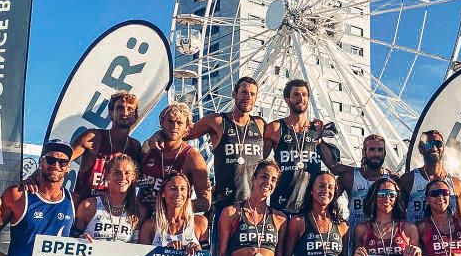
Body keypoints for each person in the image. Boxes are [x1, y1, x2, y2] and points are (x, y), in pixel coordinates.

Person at [180, 77, 265, 243]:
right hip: (224, 203)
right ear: (234, 94)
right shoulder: (217, 121)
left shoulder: (260, 125)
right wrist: (158, 135)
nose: (247, 97)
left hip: (253, 205)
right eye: (243, 92)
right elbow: (180, 134)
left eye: (252, 94)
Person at [70, 91, 143, 206]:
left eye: (130, 109)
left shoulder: (135, 146)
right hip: (85, 209)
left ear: (135, 117)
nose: (125, 112)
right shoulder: (93, 137)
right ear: (110, 113)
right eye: (120, 108)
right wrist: (36, 177)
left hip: (115, 213)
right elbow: (61, 160)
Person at [138, 102, 210, 216]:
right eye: (170, 121)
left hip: (171, 221)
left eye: (179, 123)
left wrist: (169, 204)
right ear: (162, 122)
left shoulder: (193, 158)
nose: (174, 126)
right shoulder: (149, 146)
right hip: (140, 217)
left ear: (187, 127)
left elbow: (205, 203)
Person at [265, 79, 324, 216]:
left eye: (304, 95)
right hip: (280, 207)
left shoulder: (317, 129)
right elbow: (256, 161)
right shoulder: (275, 128)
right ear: (287, 99)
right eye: (296, 95)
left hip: (309, 209)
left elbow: (333, 165)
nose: (301, 98)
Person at [399, 130, 461, 223]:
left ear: (443, 148)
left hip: (446, 236)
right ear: (421, 149)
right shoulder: (409, 180)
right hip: (417, 235)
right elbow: (398, 217)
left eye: (438, 144)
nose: (434, 148)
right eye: (428, 144)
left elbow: (460, 220)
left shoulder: (455, 183)